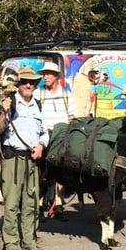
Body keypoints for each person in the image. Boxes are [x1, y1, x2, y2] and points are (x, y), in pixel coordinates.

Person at [0, 66, 49, 250]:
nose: (29, 85)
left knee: (31, 201)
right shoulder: (9, 103)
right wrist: (3, 112)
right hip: (13, 158)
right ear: (18, 83)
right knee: (11, 201)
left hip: (32, 159)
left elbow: (44, 131)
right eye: (25, 81)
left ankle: (29, 240)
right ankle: (11, 243)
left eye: (33, 82)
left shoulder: (38, 104)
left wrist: (41, 146)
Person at [34, 61, 77, 220]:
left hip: (62, 135)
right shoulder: (38, 93)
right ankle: (38, 205)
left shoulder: (66, 94)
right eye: (44, 74)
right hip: (44, 136)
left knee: (60, 172)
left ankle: (58, 205)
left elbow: (72, 117)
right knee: (41, 171)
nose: (45, 76)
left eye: (49, 74)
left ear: (57, 76)